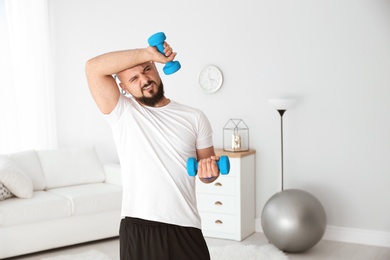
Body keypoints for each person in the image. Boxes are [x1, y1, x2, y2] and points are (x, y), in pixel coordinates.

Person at [85, 39, 220, 260]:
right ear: (123, 87)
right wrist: (146, 53)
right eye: (134, 78)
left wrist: (208, 172)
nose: (144, 79)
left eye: (147, 69)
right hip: (139, 226)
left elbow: (208, 171)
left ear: (157, 69)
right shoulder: (122, 113)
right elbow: (93, 67)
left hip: (186, 226)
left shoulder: (194, 117)